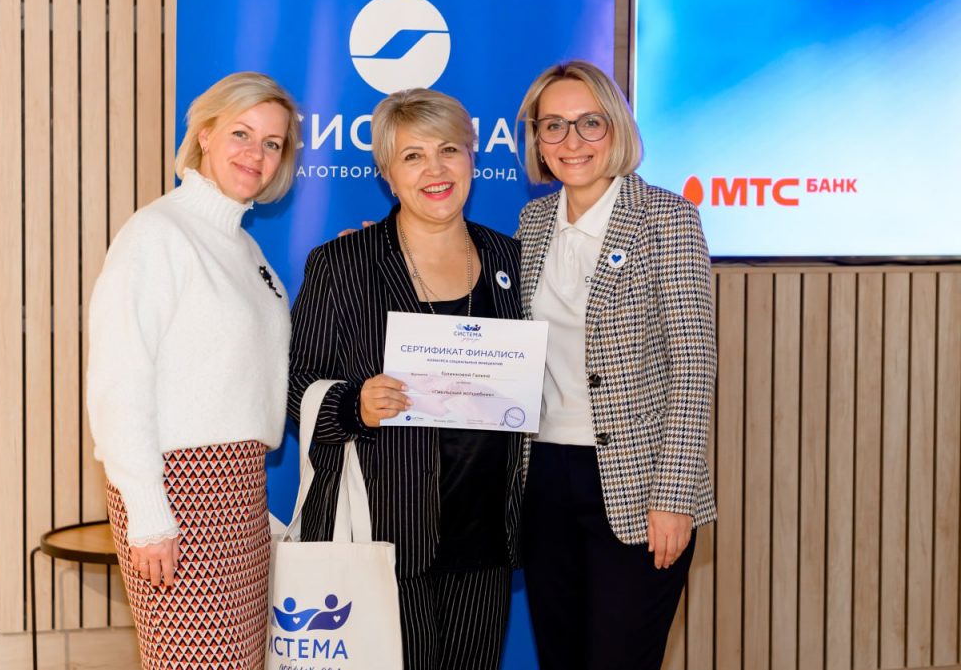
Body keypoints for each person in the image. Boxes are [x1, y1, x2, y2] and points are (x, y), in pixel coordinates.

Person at [287, 88, 524, 670]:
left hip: (484, 539)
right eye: (413, 156)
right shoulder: (341, 264)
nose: (435, 170)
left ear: (472, 158)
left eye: (449, 150)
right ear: (388, 175)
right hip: (384, 534)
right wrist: (353, 406)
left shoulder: (512, 260)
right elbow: (294, 384)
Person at [87, 71, 300, 669]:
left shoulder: (246, 250)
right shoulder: (156, 233)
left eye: (272, 143)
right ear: (205, 134)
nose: (255, 153)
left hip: (240, 492)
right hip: (178, 491)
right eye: (241, 133)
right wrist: (148, 514)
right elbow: (118, 383)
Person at [514, 60, 718, 670]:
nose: (571, 140)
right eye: (553, 125)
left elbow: (693, 366)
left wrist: (674, 496)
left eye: (590, 122)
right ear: (538, 142)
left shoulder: (667, 217)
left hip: (639, 485)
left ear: (618, 129)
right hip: (543, 477)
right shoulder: (531, 224)